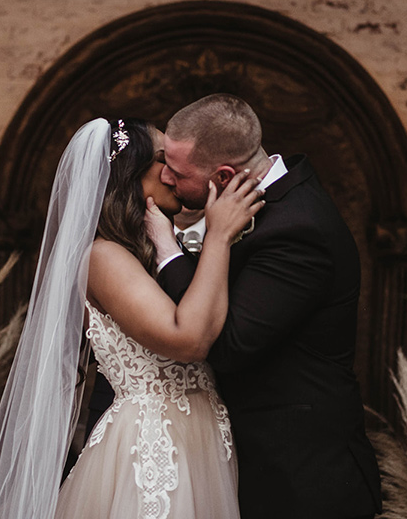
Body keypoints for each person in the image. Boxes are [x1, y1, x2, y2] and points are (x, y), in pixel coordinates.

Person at [0, 118, 262, 519]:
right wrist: (219, 237)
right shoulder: (103, 257)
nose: (173, 175)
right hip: (151, 449)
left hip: (201, 440)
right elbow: (188, 339)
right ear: (130, 175)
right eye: (162, 161)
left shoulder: (150, 249)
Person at [155, 94, 382, 519]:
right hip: (252, 468)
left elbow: (227, 344)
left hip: (300, 480)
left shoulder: (298, 228)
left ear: (222, 176)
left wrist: (167, 247)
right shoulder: (263, 204)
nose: (165, 177)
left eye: (177, 170)